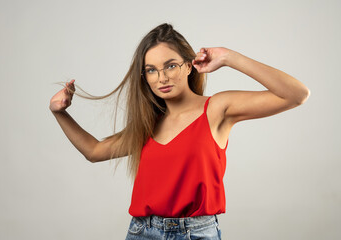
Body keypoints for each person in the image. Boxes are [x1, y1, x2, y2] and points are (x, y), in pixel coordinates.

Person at [49, 23, 310, 240]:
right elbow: (94, 151)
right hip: (142, 232)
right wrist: (60, 113)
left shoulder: (216, 109)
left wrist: (229, 57)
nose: (161, 78)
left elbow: (296, 95)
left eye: (170, 65)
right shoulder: (148, 124)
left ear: (188, 65)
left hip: (196, 233)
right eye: (151, 70)